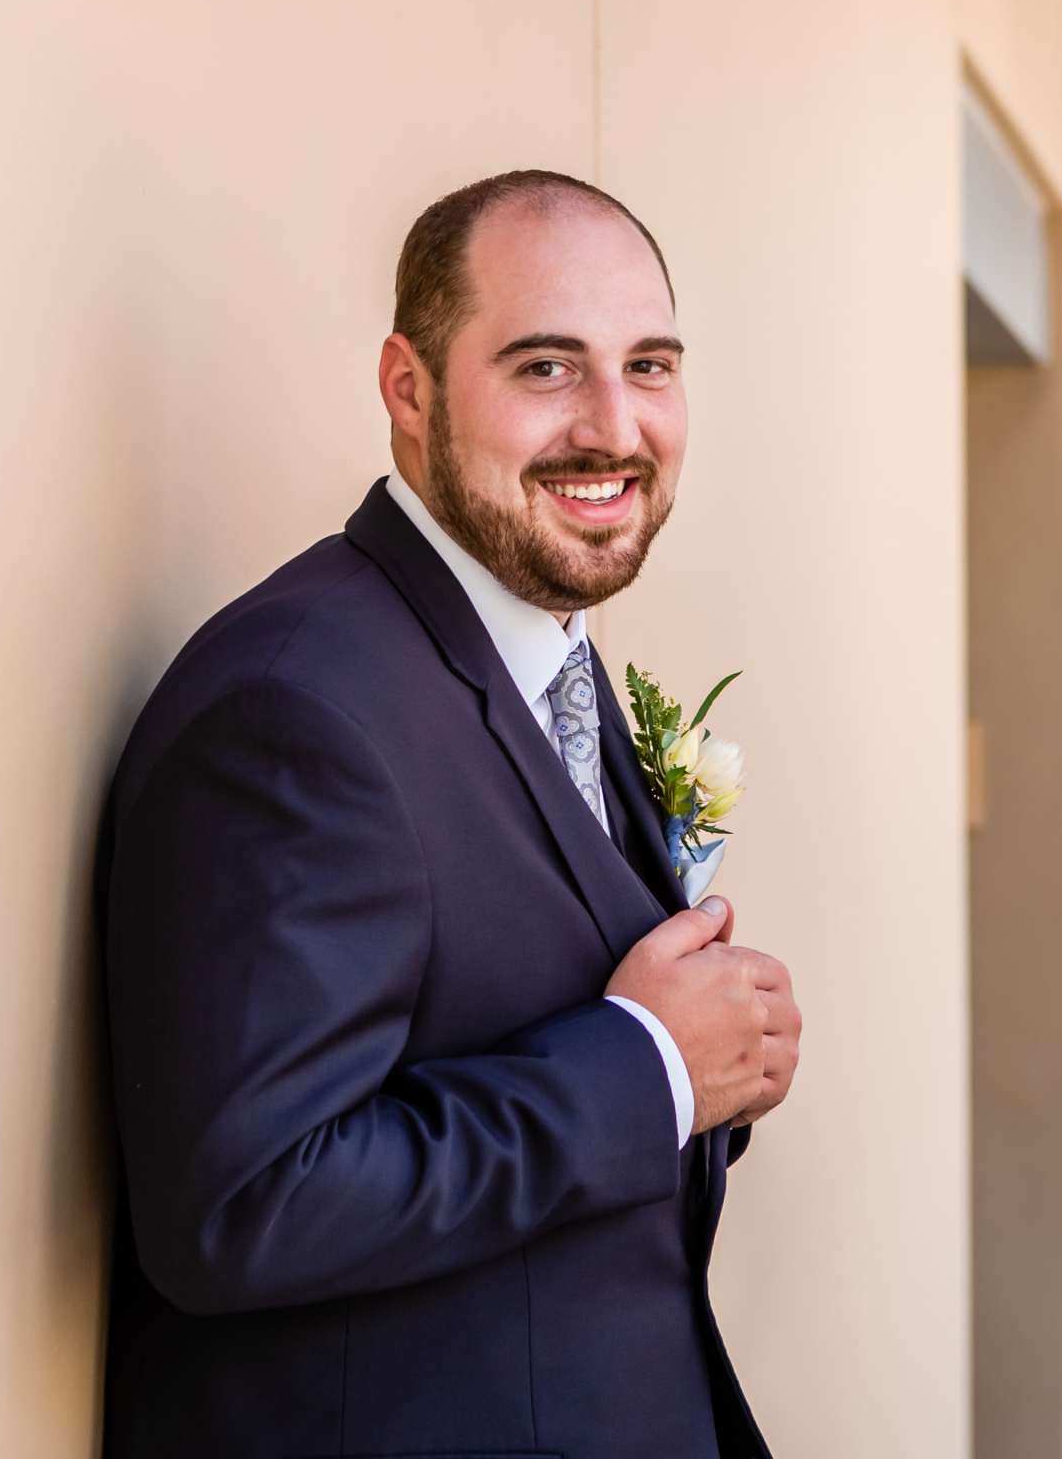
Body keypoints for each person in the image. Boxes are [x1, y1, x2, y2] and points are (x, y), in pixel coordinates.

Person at [97, 170, 800, 1458]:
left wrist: (705, 1077)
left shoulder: (542, 654)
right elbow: (247, 1204)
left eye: (650, 366)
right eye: (546, 368)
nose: (613, 426)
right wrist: (646, 1068)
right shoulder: (294, 714)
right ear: (409, 391)